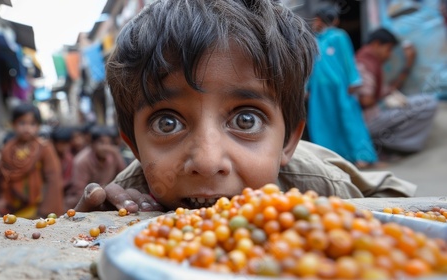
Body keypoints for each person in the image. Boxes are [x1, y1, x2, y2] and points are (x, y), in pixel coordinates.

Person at [73, 0, 416, 213]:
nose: (207, 162)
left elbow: (402, 208)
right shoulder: (130, 194)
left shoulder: (317, 182)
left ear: (288, 142)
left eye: (246, 119)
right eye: (168, 123)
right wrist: (94, 225)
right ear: (132, 145)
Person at [306, 5, 379, 168]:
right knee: (323, 122)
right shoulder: (314, 40)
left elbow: (348, 59)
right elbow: (310, 67)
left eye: (317, 19)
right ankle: (331, 158)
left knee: (349, 120)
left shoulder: (339, 36)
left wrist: (354, 81)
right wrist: (306, 88)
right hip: (319, 91)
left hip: (340, 89)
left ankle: (362, 156)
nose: (315, 22)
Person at [355, 28, 438, 155]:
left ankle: (386, 144)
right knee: (429, 103)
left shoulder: (370, 62)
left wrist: (408, 64)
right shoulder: (363, 63)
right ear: (376, 44)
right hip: (369, 120)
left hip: (373, 117)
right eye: (388, 49)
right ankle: (389, 146)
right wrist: (385, 102)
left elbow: (388, 90)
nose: (389, 55)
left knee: (423, 102)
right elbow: (366, 100)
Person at [0, 103, 64, 218]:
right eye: (22, 123)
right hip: (11, 204)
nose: (27, 128)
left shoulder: (44, 148)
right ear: (13, 124)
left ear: (38, 126)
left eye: (32, 124)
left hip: (36, 205)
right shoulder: (8, 148)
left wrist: (47, 210)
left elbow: (53, 178)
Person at [65, 125, 126, 209]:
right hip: (83, 200)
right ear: (92, 144)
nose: (106, 147)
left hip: (107, 197)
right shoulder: (82, 161)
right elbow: (79, 191)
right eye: (101, 143)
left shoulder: (113, 154)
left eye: (109, 143)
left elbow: (124, 177)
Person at [50, 126, 75, 197]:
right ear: (54, 143)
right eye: (61, 143)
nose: (64, 146)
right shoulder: (48, 157)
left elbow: (68, 179)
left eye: (66, 143)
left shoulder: (69, 159)